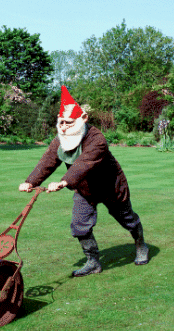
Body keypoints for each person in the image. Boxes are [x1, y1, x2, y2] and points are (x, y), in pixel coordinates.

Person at [19, 86, 149, 277]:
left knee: (127, 219)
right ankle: (93, 263)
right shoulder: (61, 139)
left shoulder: (97, 140)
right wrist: (31, 181)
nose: (63, 127)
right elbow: (48, 160)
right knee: (79, 225)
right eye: (61, 122)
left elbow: (83, 164)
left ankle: (141, 246)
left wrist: (64, 182)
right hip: (85, 189)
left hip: (110, 186)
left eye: (69, 123)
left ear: (84, 119)